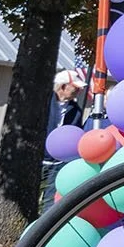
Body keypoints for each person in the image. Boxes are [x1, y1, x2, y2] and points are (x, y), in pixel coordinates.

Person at [42, 68, 87, 212]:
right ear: (63, 86)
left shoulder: (75, 111)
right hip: (40, 159)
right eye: (75, 88)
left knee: (50, 201)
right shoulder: (44, 103)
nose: (78, 92)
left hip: (58, 163)